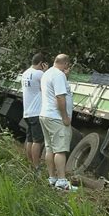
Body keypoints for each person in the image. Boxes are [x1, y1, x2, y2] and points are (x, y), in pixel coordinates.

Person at [39, 54, 74, 189]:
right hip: (56, 117)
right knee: (60, 150)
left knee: (50, 149)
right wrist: (65, 117)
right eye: (68, 65)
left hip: (45, 115)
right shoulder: (59, 76)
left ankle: (52, 178)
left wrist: (66, 77)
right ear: (65, 64)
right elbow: (60, 97)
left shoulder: (47, 73)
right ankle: (62, 181)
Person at [22, 53, 48, 171]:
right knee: (37, 141)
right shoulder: (40, 74)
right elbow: (47, 87)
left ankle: (29, 163)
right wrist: (46, 71)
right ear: (41, 63)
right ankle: (36, 166)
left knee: (30, 139)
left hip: (27, 111)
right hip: (36, 112)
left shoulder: (25, 73)